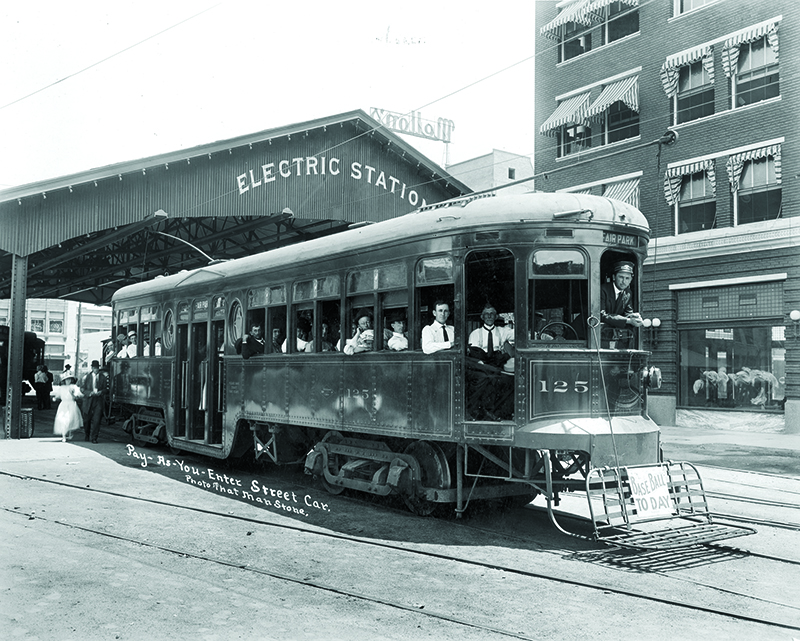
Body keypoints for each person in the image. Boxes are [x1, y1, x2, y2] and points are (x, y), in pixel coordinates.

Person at [467, 305, 515, 420]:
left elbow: (521, 333)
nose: (489, 316)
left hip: (497, 364)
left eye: (492, 313)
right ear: (482, 317)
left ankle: (500, 412)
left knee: (509, 380)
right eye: (486, 314)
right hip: (481, 365)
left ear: (496, 316)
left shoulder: (503, 331)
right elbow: (475, 354)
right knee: (488, 379)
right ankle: (482, 412)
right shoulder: (475, 333)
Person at [600, 261, 644, 347]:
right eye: (621, 277)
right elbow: (602, 315)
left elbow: (627, 313)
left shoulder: (628, 293)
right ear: (614, 277)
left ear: (631, 280)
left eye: (627, 278)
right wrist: (628, 321)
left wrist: (634, 316)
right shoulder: (603, 290)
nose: (624, 281)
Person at [80, 360, 108, 443]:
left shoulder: (103, 377)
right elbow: (82, 389)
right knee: (86, 420)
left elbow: (106, 389)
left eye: (97, 368)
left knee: (97, 420)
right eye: (94, 368)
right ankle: (87, 434)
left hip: (98, 400)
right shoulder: (86, 377)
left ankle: (94, 438)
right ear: (92, 368)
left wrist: (102, 392)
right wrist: (89, 393)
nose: (96, 370)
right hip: (88, 400)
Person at [51, 372, 83, 442]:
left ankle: (69, 433)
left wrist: (73, 394)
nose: (68, 381)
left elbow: (79, 396)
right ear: (64, 381)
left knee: (70, 420)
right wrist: (55, 398)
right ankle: (63, 436)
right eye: (66, 380)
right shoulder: (61, 388)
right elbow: (57, 396)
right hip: (63, 405)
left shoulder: (74, 387)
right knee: (62, 420)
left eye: (69, 379)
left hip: (71, 405)